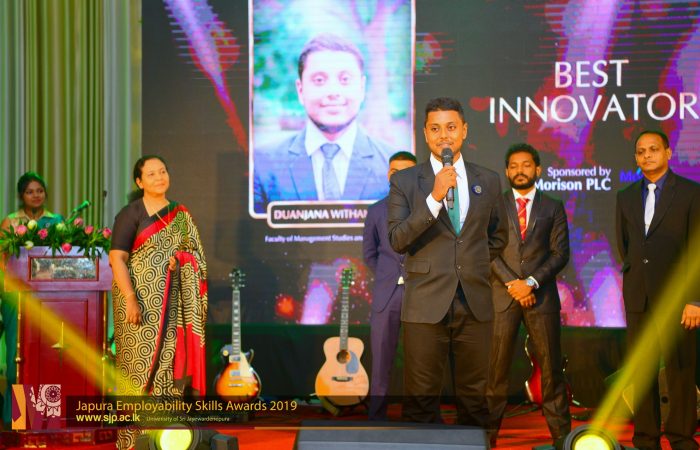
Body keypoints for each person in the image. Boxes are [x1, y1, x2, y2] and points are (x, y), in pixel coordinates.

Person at [387, 97, 508, 427]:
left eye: (451, 127)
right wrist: (434, 198)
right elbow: (398, 239)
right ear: (426, 134)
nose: (444, 135)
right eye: (436, 128)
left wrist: (471, 265)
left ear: (464, 130)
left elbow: (498, 236)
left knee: (475, 400)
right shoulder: (405, 181)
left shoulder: (489, 180)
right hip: (425, 304)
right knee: (421, 401)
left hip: (475, 303)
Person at [109, 155, 208, 449]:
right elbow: (117, 259)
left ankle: (165, 437)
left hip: (172, 304)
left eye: (162, 171)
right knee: (136, 370)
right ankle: (132, 441)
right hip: (137, 304)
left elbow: (196, 257)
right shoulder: (131, 213)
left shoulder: (181, 215)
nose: (159, 177)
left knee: (169, 364)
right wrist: (131, 299)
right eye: (151, 174)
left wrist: (182, 260)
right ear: (139, 182)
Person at [616, 130, 700, 450]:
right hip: (639, 297)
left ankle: (681, 438)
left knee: (680, 371)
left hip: (678, 301)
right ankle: (645, 438)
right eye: (641, 151)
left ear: (667, 152)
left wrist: (695, 299)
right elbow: (626, 247)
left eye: (653, 149)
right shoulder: (625, 196)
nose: (647, 155)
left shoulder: (691, 193)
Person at [486, 143, 571, 447]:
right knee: (495, 374)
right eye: (513, 166)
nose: (519, 171)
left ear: (537, 169)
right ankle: (485, 439)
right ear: (506, 171)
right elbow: (487, 249)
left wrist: (531, 283)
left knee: (551, 373)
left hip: (542, 298)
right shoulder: (494, 205)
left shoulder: (553, 206)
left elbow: (560, 253)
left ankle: (562, 439)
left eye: (525, 165)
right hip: (503, 297)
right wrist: (515, 284)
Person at [253, 33, 393, 214]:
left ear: (361, 87)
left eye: (345, 79)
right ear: (300, 90)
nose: (333, 91)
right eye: (319, 80)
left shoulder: (395, 166)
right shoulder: (263, 164)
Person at [0, 171, 63, 426]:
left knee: (47, 355)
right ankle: (18, 417)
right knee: (18, 356)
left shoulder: (56, 221)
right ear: (21, 196)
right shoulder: (11, 222)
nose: (35, 196)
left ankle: (46, 417)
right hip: (16, 296)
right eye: (29, 192)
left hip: (48, 297)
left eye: (39, 191)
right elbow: (3, 260)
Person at [362, 151, 417, 420]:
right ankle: (377, 415)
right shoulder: (376, 211)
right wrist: (388, 275)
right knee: (381, 360)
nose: (399, 176)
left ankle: (418, 414)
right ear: (388, 174)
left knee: (419, 361)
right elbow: (369, 254)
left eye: (406, 172)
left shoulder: (429, 208)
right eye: (395, 171)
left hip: (420, 294)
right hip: (387, 296)